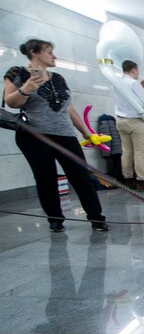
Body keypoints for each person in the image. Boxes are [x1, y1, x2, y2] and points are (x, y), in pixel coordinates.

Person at [3, 39, 109, 232]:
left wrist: (87, 133)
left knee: (81, 176)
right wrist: (26, 89)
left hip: (65, 134)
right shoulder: (17, 73)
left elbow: (68, 108)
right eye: (49, 52)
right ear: (34, 53)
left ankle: (96, 217)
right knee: (46, 177)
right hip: (34, 136)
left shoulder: (58, 78)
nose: (54, 56)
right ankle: (55, 219)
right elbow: (10, 102)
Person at [114, 60, 144, 191]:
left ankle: (128, 179)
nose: (138, 73)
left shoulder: (116, 83)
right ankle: (142, 181)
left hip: (121, 121)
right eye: (137, 71)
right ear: (133, 70)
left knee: (126, 152)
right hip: (135, 121)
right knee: (140, 152)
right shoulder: (134, 83)